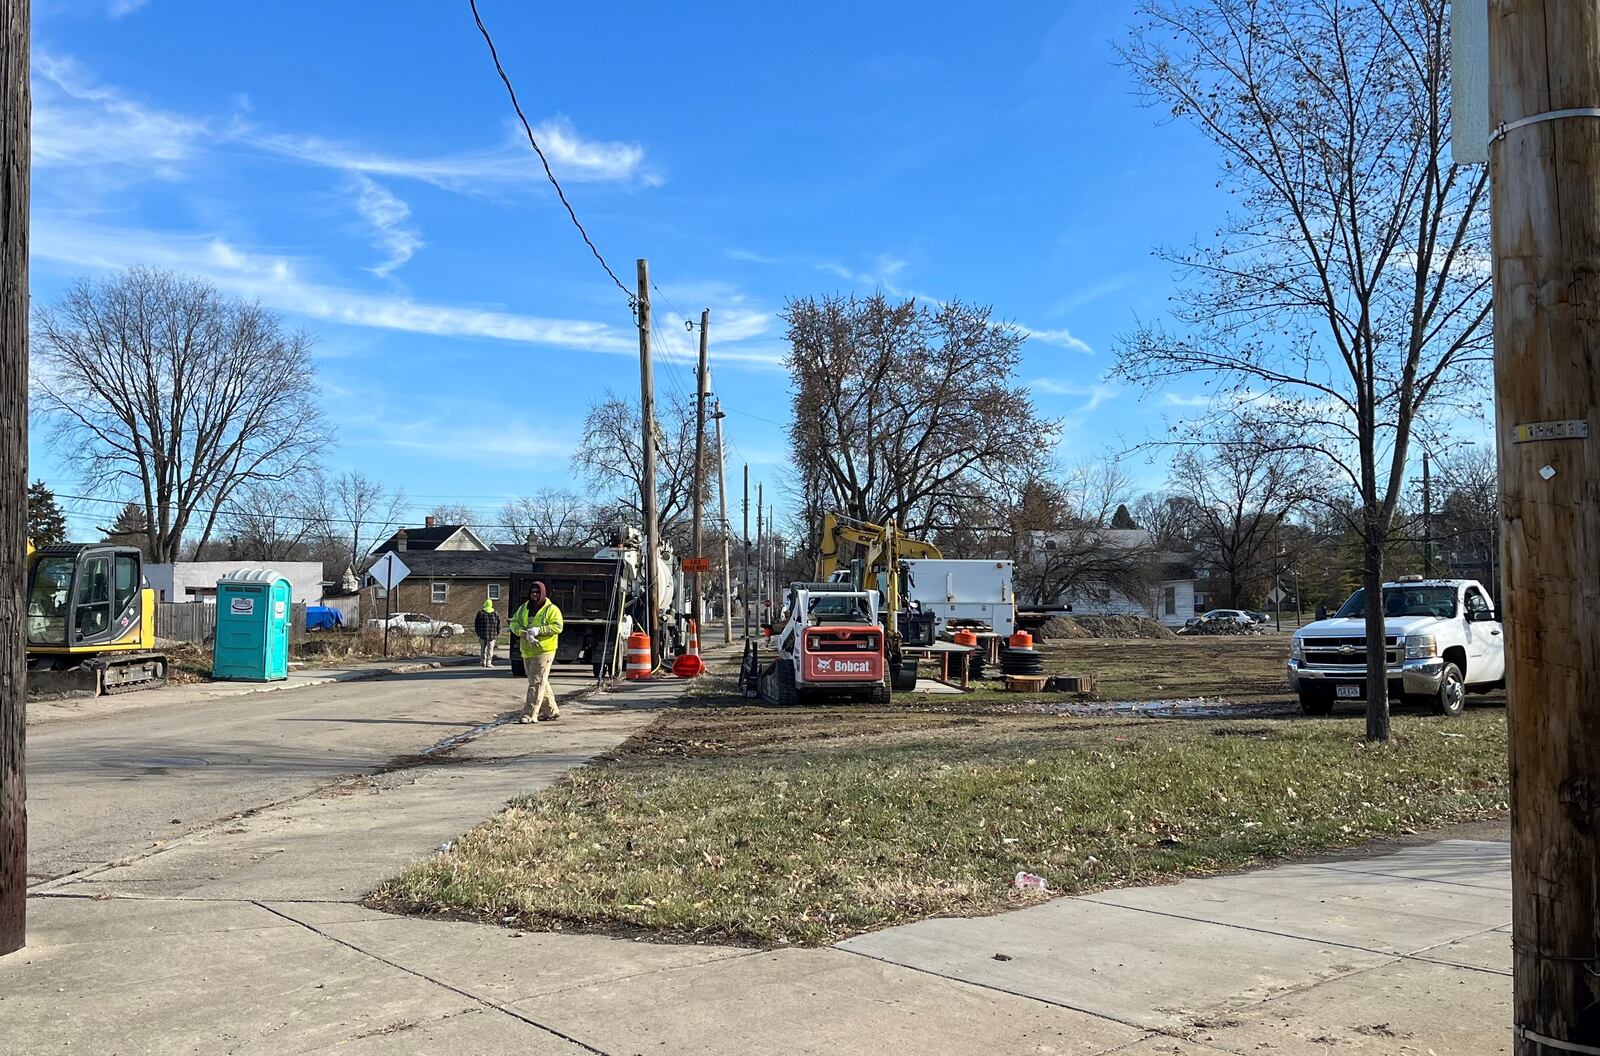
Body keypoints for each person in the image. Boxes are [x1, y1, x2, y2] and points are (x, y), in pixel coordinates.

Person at [509, 581, 564, 723]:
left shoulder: (551, 609)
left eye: (537, 592)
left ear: (543, 593)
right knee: (540, 681)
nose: (534, 594)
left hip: (544, 650)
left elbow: (558, 627)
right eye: (532, 592)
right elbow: (513, 623)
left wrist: (539, 630)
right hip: (528, 650)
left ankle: (530, 714)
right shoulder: (523, 608)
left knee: (536, 682)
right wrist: (523, 633)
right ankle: (551, 711)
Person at [473, 598, 501, 668]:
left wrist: (477, 632)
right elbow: (498, 624)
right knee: (490, 649)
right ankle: (489, 662)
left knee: (483, 648)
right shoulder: (495, 613)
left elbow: (476, 624)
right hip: (492, 634)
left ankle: (483, 661)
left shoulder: (480, 613)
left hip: (482, 634)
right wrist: (498, 632)